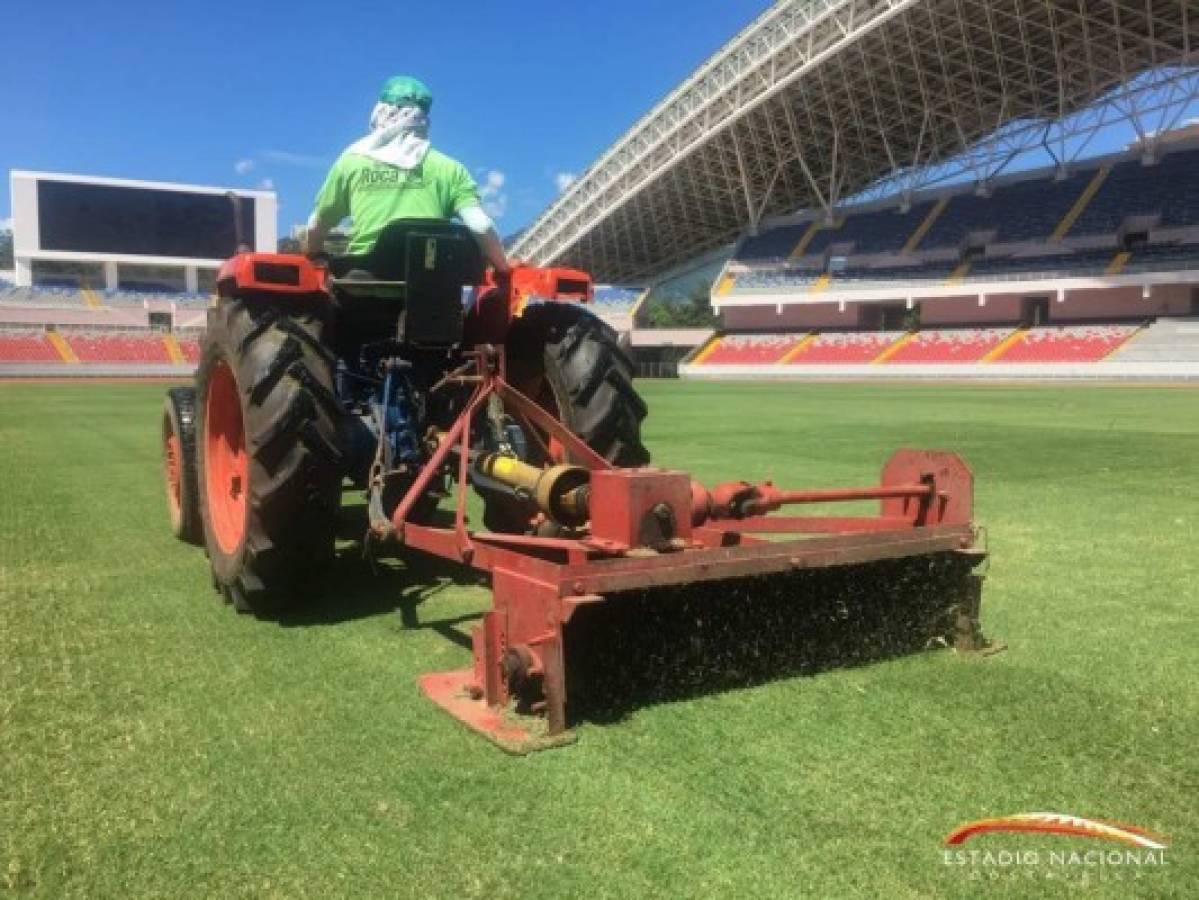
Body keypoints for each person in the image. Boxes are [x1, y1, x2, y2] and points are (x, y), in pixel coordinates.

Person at [306, 75, 509, 274]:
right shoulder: (451, 169)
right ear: (423, 118)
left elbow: (318, 223)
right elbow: (481, 226)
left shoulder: (350, 161)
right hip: (432, 289)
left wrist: (314, 253)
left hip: (362, 285)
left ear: (379, 111)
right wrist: (503, 269)